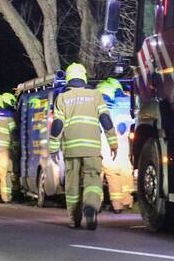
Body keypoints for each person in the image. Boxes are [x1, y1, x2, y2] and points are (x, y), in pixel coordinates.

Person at [49, 63, 117, 230]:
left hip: (71, 149)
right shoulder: (96, 95)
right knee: (92, 179)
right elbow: (106, 121)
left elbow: (57, 124)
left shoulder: (63, 98)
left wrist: (53, 148)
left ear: (69, 78)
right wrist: (113, 143)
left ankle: (74, 219)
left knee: (72, 184)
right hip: (92, 148)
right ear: (84, 76)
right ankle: (91, 206)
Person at [96, 78, 134, 213]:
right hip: (124, 143)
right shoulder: (128, 102)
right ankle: (127, 201)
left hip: (106, 142)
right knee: (125, 170)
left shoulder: (103, 104)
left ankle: (105, 204)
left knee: (107, 172)